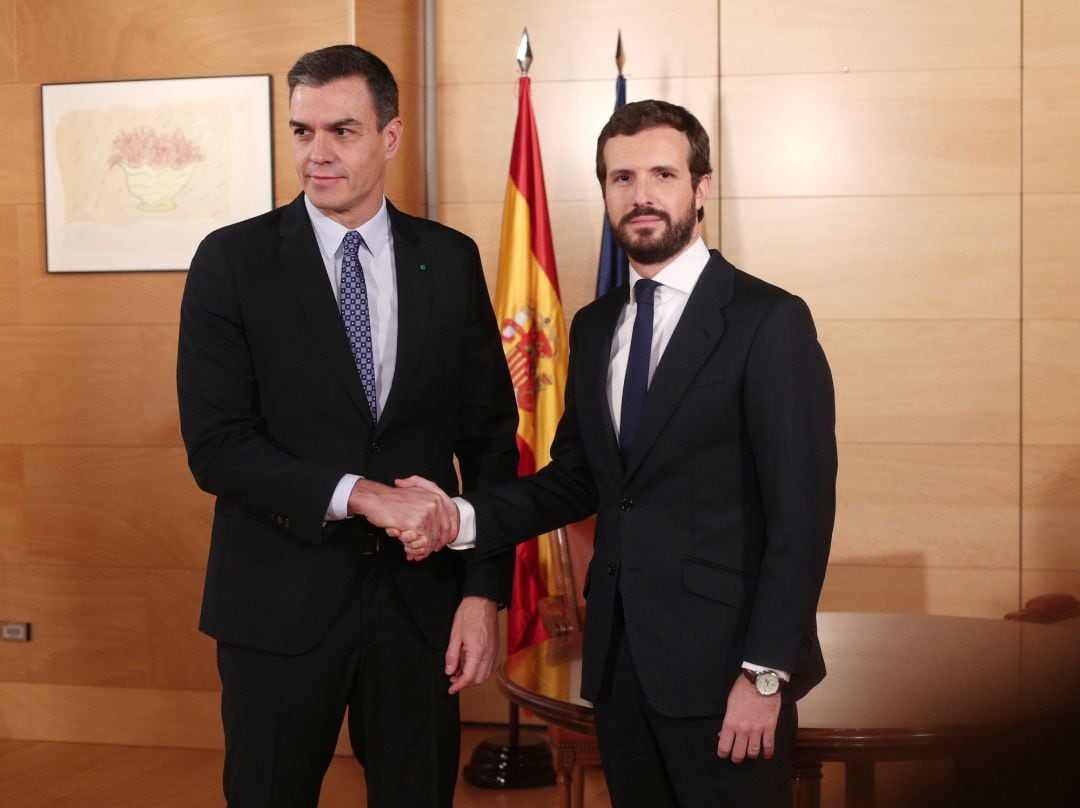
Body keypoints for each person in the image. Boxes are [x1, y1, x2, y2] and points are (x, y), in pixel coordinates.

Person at [387, 100, 837, 807]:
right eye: (621, 178)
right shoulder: (595, 327)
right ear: (603, 192)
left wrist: (764, 676)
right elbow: (576, 482)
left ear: (702, 187)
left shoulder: (768, 320)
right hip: (621, 672)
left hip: (727, 677)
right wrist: (458, 516)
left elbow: (801, 515)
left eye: (663, 173)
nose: (642, 194)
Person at [176, 44, 517, 808]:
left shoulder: (451, 260)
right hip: (276, 599)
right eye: (301, 132)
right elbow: (217, 446)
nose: (316, 154)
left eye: (341, 130)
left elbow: (492, 440)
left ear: (390, 137)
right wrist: (362, 494)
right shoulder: (232, 262)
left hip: (421, 608)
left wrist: (481, 595)